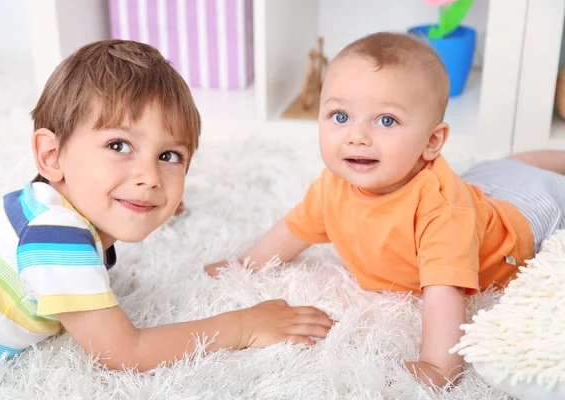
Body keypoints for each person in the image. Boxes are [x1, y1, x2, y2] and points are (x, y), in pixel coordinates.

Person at [205, 32, 565, 387]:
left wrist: (438, 365)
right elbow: (293, 228)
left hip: (522, 217)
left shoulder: (443, 212)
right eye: (340, 116)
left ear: (432, 141)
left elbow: (445, 291)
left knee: (527, 178)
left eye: (386, 120)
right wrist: (245, 264)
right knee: (496, 170)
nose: (357, 136)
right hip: (481, 190)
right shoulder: (333, 186)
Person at [0, 39, 333, 370]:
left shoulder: (45, 204)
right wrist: (244, 325)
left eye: (169, 156)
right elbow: (126, 353)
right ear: (51, 155)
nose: (150, 177)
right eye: (119, 146)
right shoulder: (53, 237)